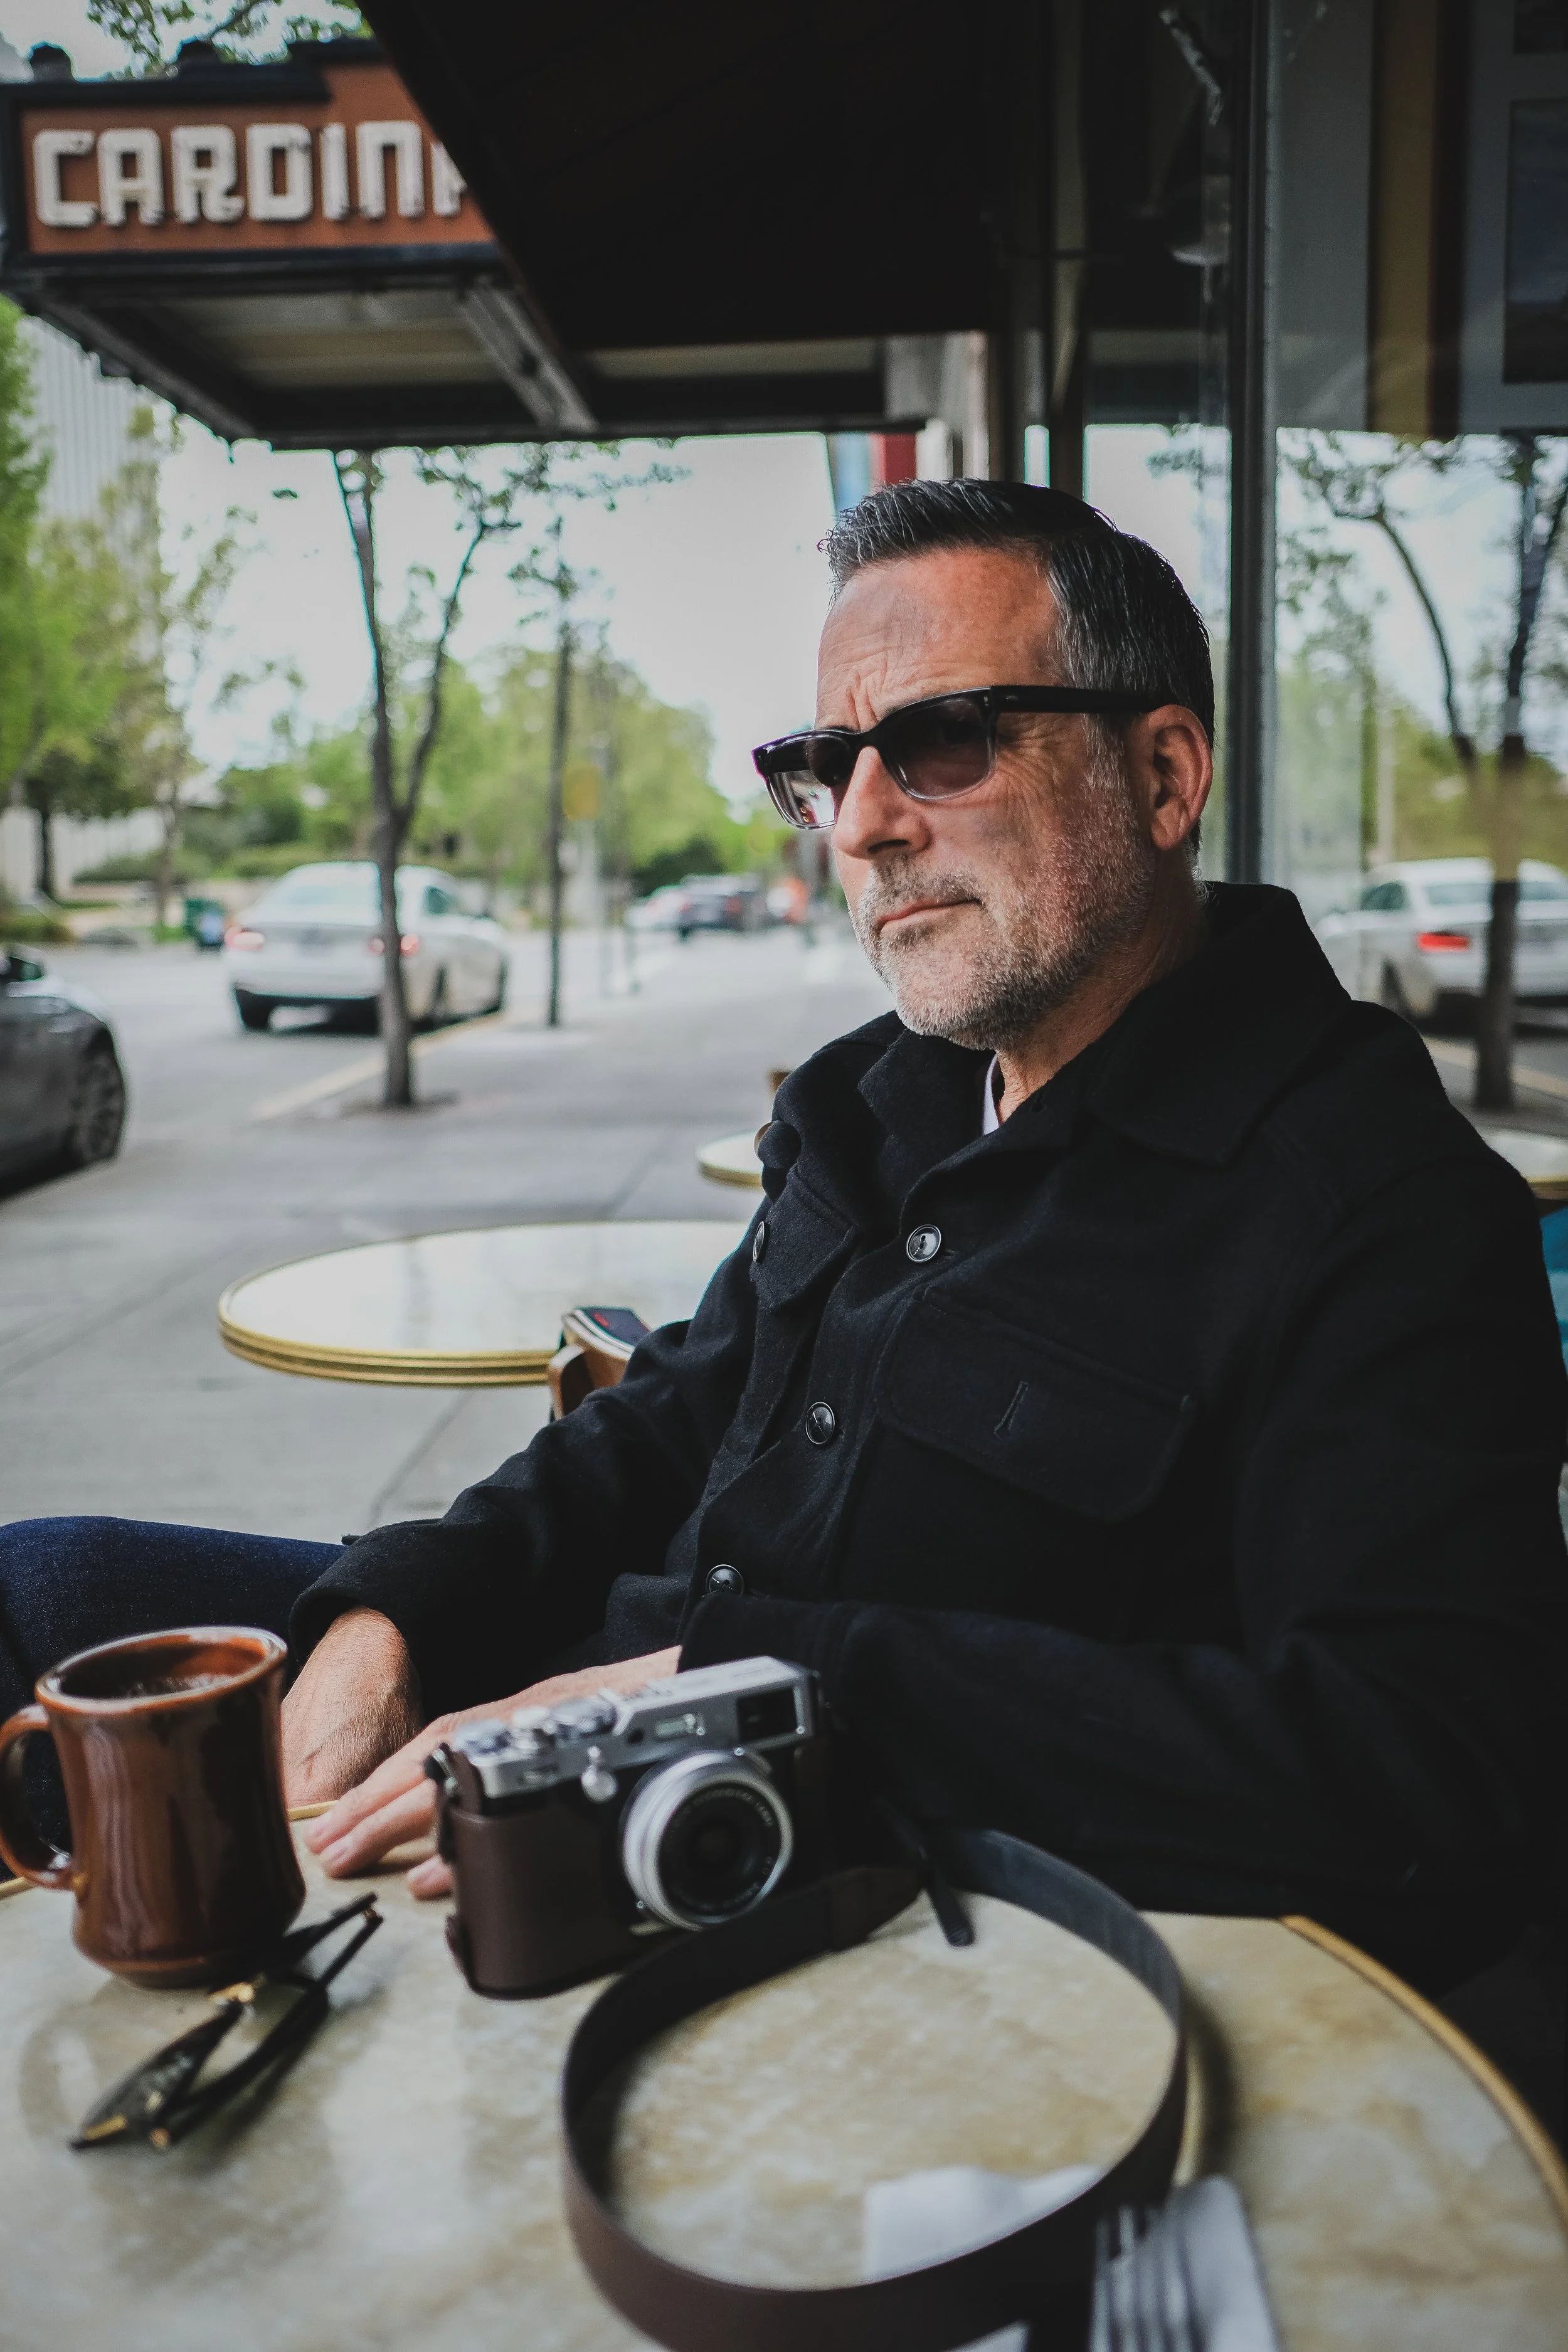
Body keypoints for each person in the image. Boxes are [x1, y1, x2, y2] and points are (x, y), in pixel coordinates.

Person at [3, 480, 1564, 2006]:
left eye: (943, 742)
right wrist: (391, 1611)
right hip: (583, 1700)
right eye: (826, 762)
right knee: (41, 1587)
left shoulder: (1371, 1213)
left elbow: (1428, 1780)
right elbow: (675, 1410)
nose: (865, 825)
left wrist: (750, 1698)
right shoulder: (882, 1105)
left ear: (1161, 777)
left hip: (814, 1869)